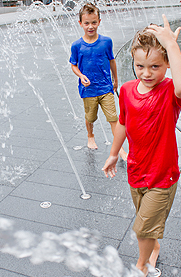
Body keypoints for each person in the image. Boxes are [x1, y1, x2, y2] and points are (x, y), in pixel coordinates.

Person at [102, 14, 181, 277]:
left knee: (142, 226)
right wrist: (114, 153)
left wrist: (172, 46)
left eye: (155, 66)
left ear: (166, 64)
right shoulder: (127, 90)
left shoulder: (168, 92)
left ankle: (141, 266)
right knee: (146, 222)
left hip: (163, 176)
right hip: (136, 171)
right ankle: (153, 247)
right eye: (140, 66)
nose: (147, 73)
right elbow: (123, 124)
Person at [69, 3, 127, 160]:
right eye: (86, 23)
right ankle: (90, 135)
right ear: (80, 23)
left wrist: (115, 80)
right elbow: (73, 65)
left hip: (106, 87)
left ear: (99, 22)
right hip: (88, 90)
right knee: (90, 117)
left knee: (113, 118)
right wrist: (81, 76)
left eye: (94, 22)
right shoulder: (76, 46)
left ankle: (119, 148)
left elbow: (112, 61)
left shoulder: (106, 42)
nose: (90, 26)